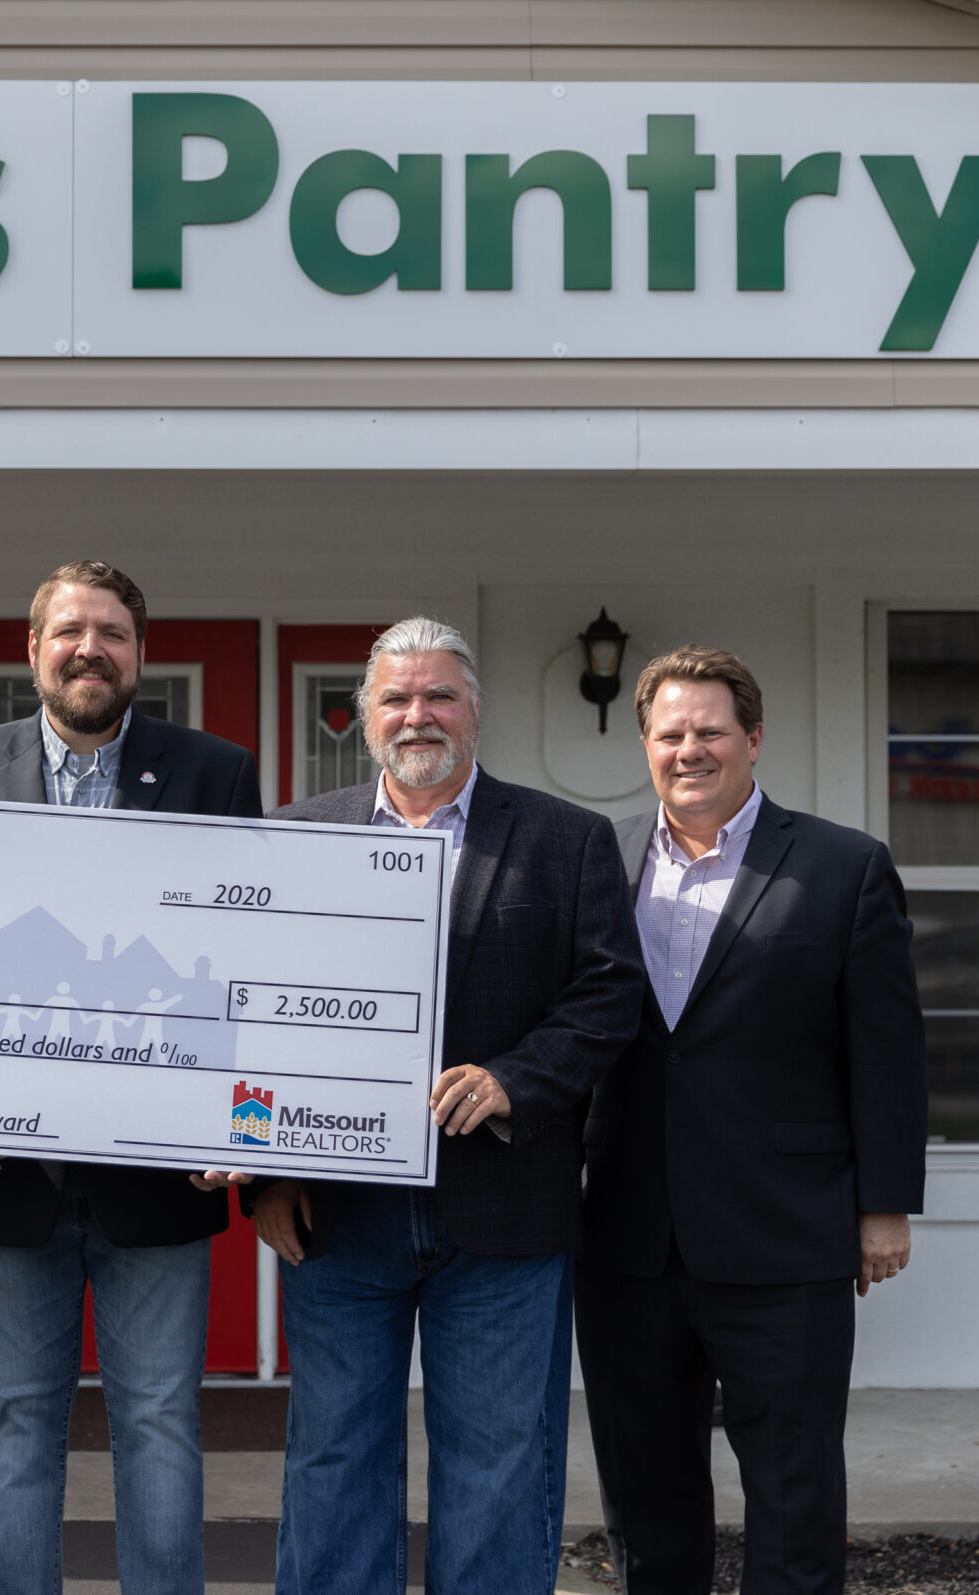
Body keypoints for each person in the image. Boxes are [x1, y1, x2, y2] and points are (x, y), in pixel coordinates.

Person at [254, 617, 646, 1595]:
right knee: (334, 1459)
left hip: (506, 1213)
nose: (416, 715)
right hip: (337, 1215)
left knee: (501, 1467)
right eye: (395, 698)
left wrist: (517, 1076)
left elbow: (608, 997)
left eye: (436, 696)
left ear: (474, 709)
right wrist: (264, 1172)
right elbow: (249, 1012)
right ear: (363, 717)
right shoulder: (295, 839)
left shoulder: (565, 840)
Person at [0, 559, 261, 1595]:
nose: (89, 649)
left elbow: (240, 964)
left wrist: (227, 1122)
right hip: (3, 1178)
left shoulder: (215, 774)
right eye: (69, 630)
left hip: (158, 1176)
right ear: (33, 651)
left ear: (138, 655)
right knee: (17, 1421)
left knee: (159, 1421)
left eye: (110, 632)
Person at [577, 647, 927, 1595]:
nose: (689, 749)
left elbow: (888, 1050)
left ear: (754, 738)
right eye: (670, 733)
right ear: (646, 745)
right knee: (644, 1497)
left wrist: (885, 1205)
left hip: (787, 1233)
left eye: (710, 730)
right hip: (625, 1236)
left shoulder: (842, 865)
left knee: (794, 1490)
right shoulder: (593, 858)